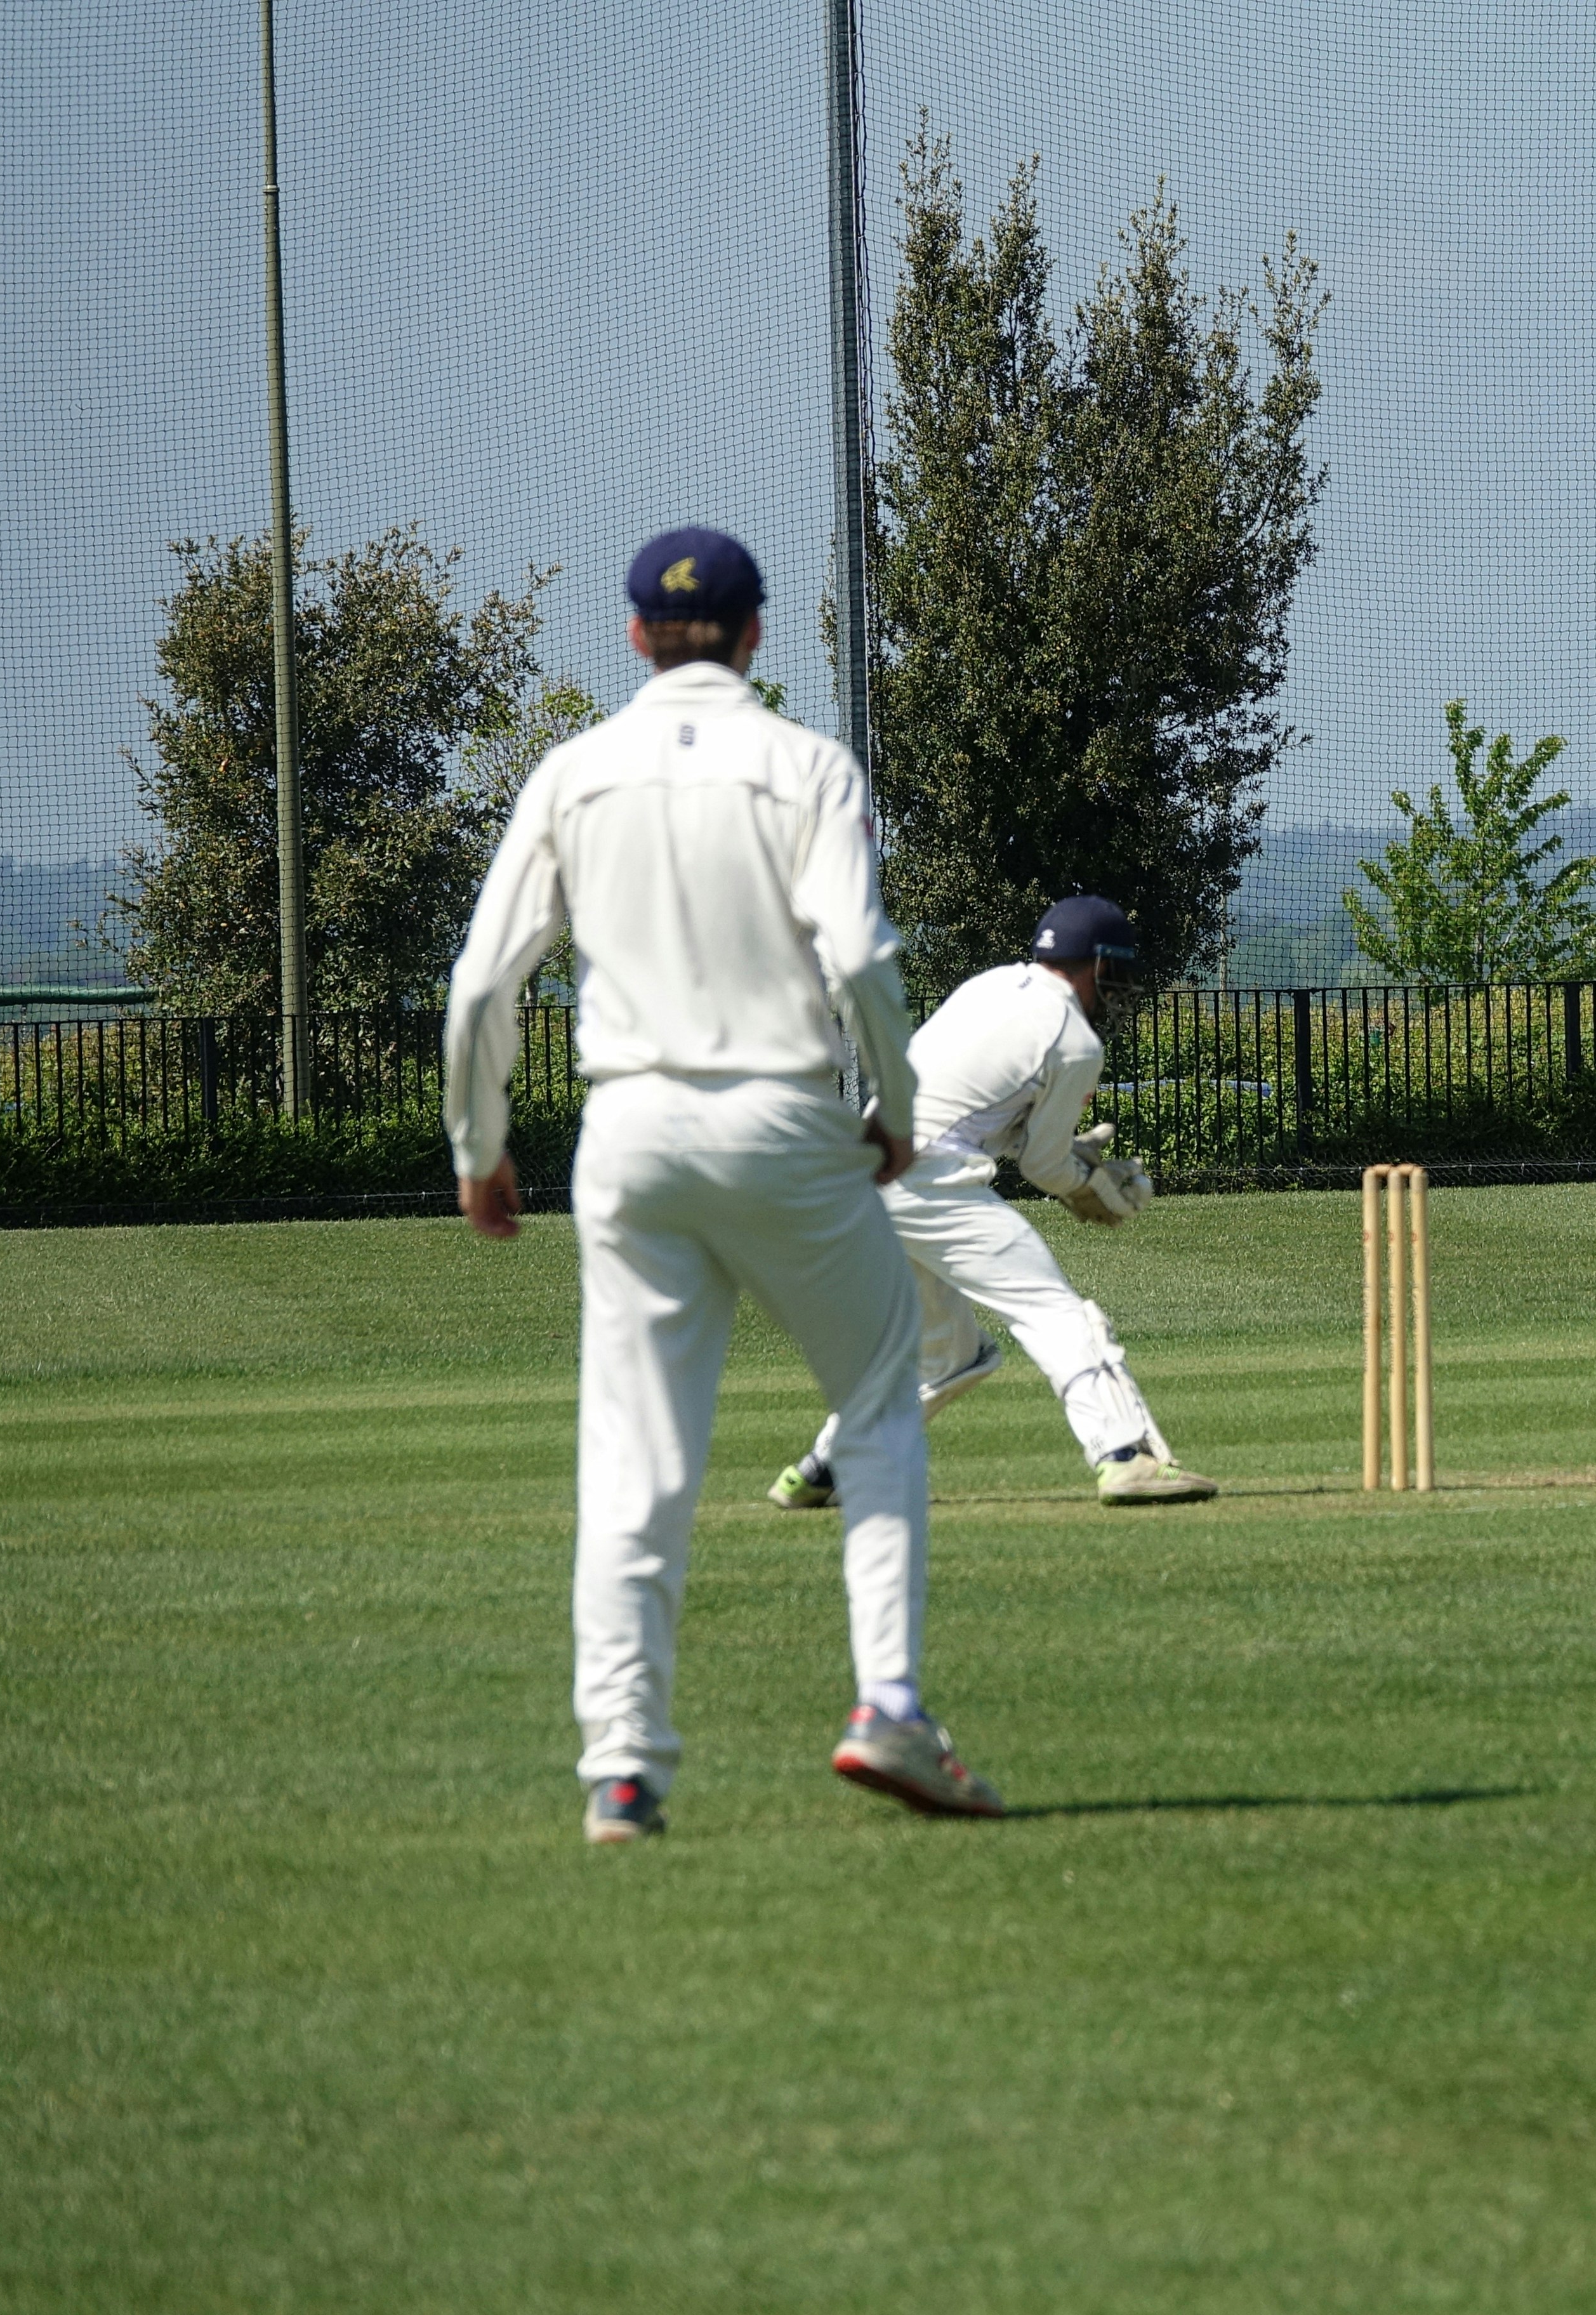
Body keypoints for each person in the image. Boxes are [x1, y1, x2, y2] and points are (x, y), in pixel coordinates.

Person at [445, 525, 1004, 1845]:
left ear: (635, 637)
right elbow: (864, 964)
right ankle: (889, 1708)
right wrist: (894, 1116)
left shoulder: (575, 773)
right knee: (878, 1402)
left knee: (636, 1457)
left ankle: (623, 1771)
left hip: (630, 1136)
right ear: (759, 636)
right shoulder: (807, 765)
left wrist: (479, 1150)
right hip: (786, 1120)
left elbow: (482, 983)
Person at [766, 894, 1218, 1515]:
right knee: (1056, 1312)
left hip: (867, 1174)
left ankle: (826, 1467)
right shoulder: (1075, 1039)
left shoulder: (993, 986)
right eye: (1118, 972)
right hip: (931, 1180)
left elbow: (979, 1104)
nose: (1121, 987)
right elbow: (1041, 1166)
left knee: (948, 1359)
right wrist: (1092, 1185)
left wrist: (1071, 1154)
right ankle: (1122, 1457)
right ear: (1099, 965)